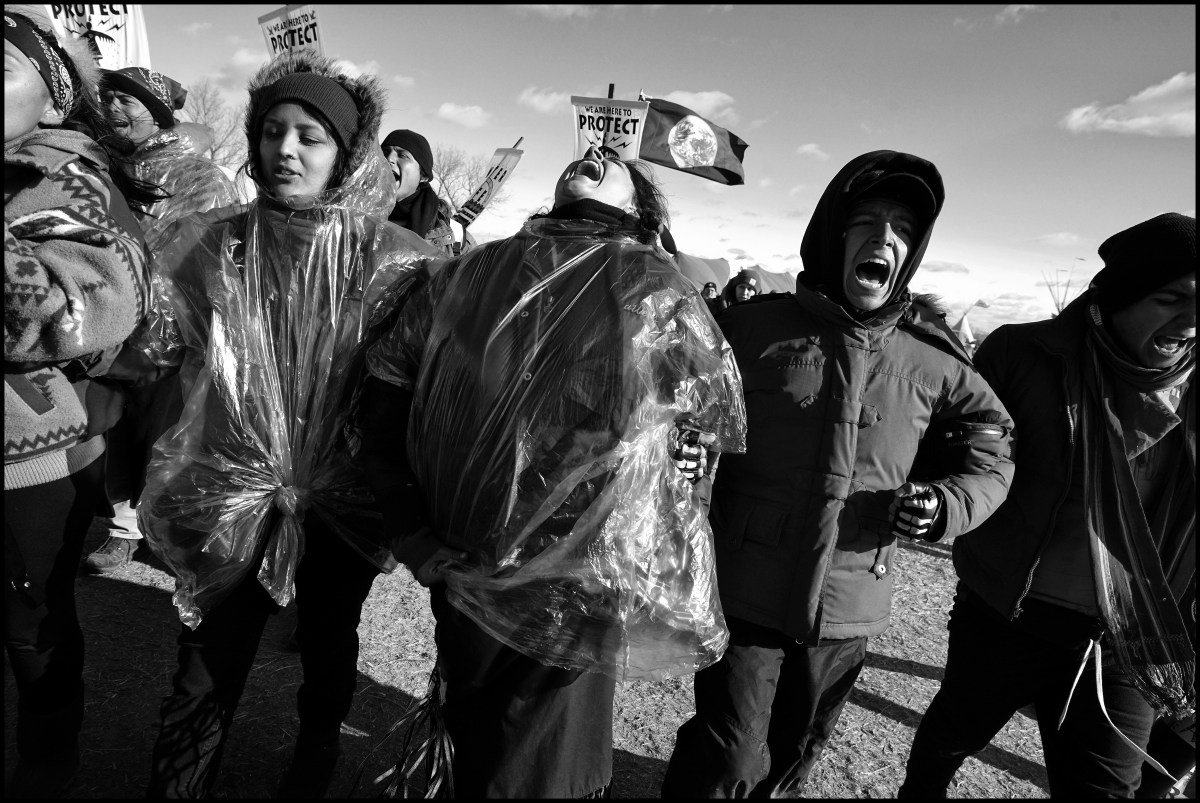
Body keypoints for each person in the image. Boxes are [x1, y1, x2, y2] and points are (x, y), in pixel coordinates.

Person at [357, 144, 747, 797]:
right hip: (467, 567)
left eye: (616, 159)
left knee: (548, 763)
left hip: (585, 581)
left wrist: (687, 462)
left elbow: (701, 433)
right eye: (595, 148)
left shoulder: (656, 297)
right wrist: (414, 537)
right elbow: (382, 414)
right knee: (478, 737)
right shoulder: (465, 278)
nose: (596, 147)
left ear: (641, 210)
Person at [125, 51, 439, 798]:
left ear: (348, 153)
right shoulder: (213, 242)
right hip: (232, 483)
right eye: (272, 131)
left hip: (343, 493)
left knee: (329, 644)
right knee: (207, 656)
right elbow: (151, 346)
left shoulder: (391, 260)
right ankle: (179, 785)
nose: (286, 149)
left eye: (310, 135)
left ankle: (313, 760)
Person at [661, 150, 1016, 798]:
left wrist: (946, 504)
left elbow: (993, 453)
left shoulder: (932, 359)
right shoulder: (750, 327)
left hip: (850, 606)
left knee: (795, 751)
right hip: (746, 588)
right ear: (832, 231)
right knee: (731, 753)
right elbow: (684, 405)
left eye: (903, 227)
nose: (885, 237)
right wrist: (688, 451)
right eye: (868, 221)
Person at [899, 212, 1195, 799]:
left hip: (1128, 637)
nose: (1191, 322)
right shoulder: (1024, 352)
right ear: (1120, 296)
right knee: (948, 740)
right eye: (1170, 299)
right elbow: (962, 452)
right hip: (1007, 608)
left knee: (1105, 788)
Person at [4, 6, 151, 796]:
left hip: (24, 465)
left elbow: (85, 314)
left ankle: (47, 757)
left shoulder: (73, 183)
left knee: (33, 628)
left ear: (53, 100)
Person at [83, 66, 237, 575]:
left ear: (158, 112)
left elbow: (215, 259)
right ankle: (122, 527)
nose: (112, 109)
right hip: (108, 321)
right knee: (112, 425)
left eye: (127, 101)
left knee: (164, 430)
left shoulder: (201, 179)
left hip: (172, 332)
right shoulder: (104, 166)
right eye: (106, 99)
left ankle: (163, 530)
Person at [381, 128, 473, 256]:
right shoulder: (355, 218)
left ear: (423, 176)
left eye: (402, 155)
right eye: (384, 153)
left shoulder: (456, 236)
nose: (388, 158)